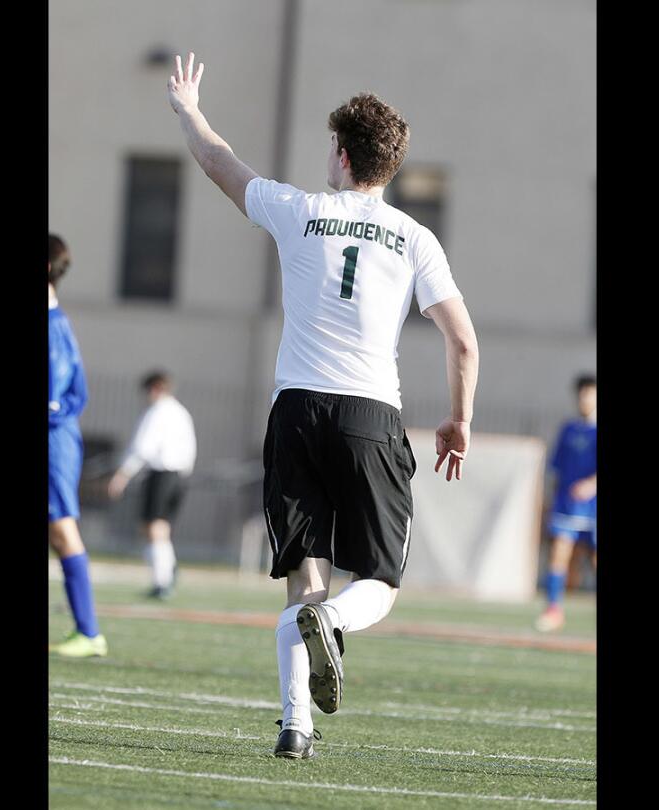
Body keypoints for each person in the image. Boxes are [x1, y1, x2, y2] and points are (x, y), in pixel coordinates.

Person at [164, 53, 479, 759]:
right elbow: (463, 341)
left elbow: (220, 163)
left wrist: (188, 109)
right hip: (371, 415)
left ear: (340, 154)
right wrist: (458, 420)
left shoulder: (300, 210)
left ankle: (295, 726)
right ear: (390, 166)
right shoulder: (415, 238)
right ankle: (335, 621)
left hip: (297, 411)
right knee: (380, 582)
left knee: (302, 576)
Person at [47, 234, 107, 658]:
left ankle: (88, 632)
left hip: (53, 444)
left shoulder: (52, 328)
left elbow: (62, 397)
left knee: (63, 530)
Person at [107, 371, 198, 599]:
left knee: (153, 527)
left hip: (162, 474)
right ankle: (168, 569)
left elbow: (143, 447)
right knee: (160, 528)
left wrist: (122, 475)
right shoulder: (181, 412)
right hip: (179, 475)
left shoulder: (158, 412)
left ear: (155, 388)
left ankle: (162, 580)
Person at [535, 374, 597, 632]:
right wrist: (551, 500)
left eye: (589, 394)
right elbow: (556, 469)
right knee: (559, 556)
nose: (584, 399)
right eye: (581, 394)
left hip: (593, 508)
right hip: (567, 505)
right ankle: (553, 609)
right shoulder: (568, 429)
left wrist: (592, 484)